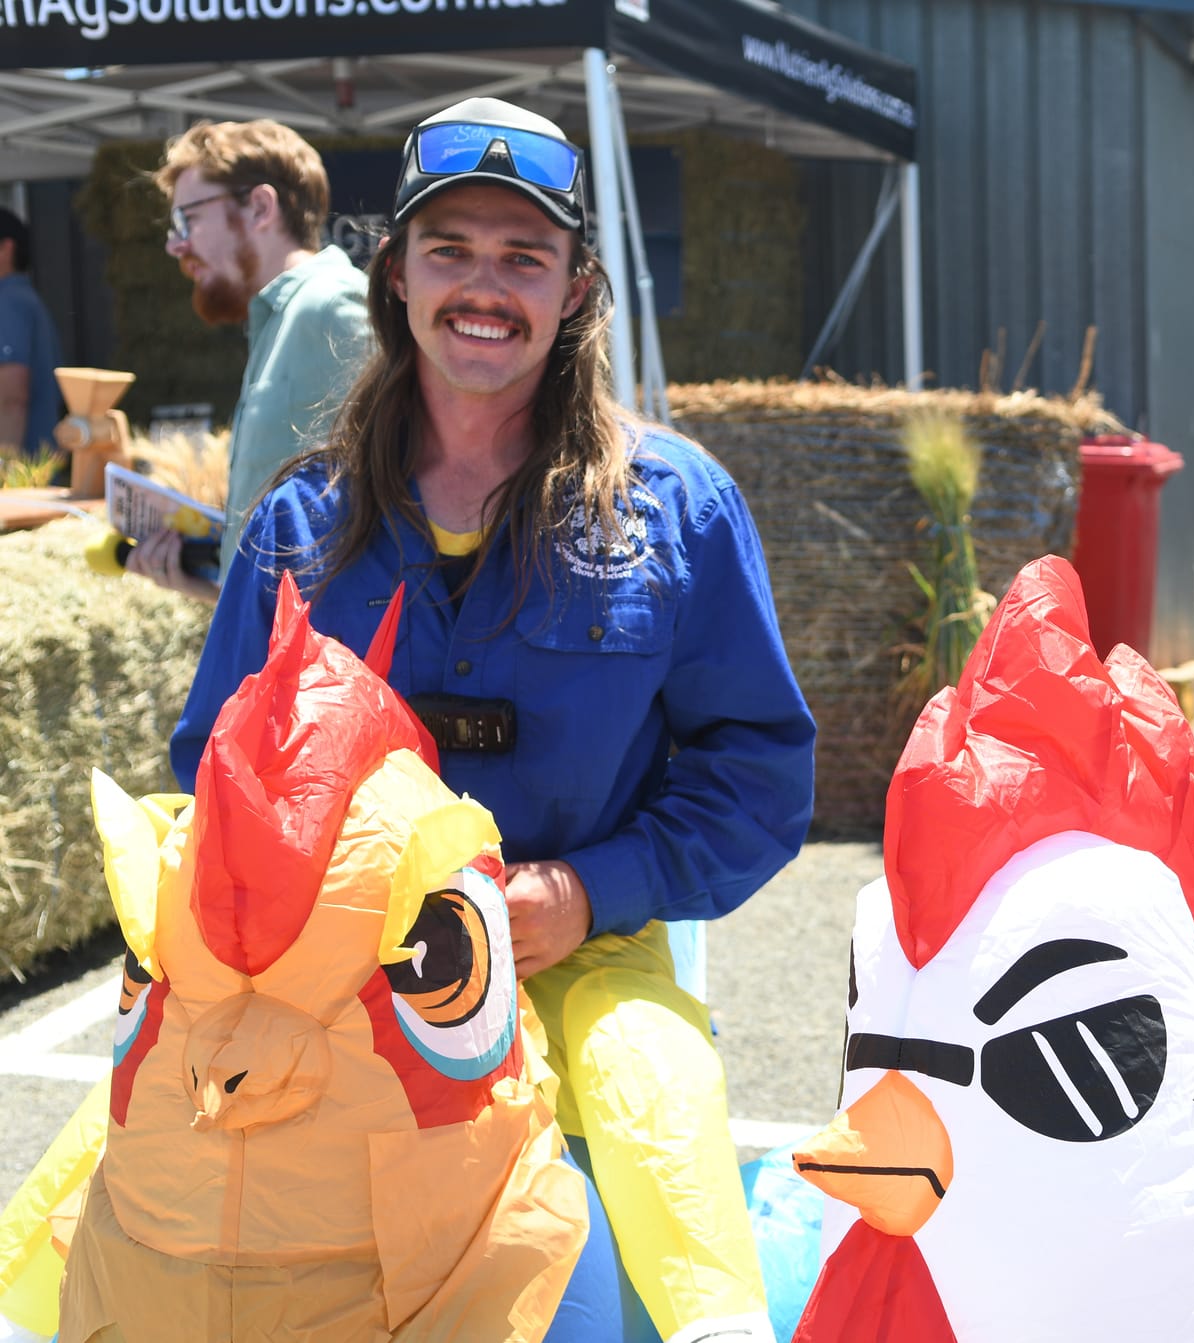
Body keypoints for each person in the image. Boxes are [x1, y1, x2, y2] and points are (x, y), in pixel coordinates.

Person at [168, 98, 815, 1341]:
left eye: (525, 256)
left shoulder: (676, 507)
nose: (484, 287)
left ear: (575, 288)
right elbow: (212, 767)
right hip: (336, 985)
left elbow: (758, 775)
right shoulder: (300, 522)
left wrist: (584, 890)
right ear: (395, 274)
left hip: (589, 956)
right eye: (450, 249)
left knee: (655, 1106)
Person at [128, 119, 371, 603]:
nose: (175, 245)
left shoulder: (332, 306)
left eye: (188, 220)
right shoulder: (283, 316)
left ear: (260, 207)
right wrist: (205, 586)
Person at [0, 206, 63, 465]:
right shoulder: (25, 300)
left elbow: (12, 399)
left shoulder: (8, 301)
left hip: (20, 479)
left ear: (6, 249)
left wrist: (5, 473)